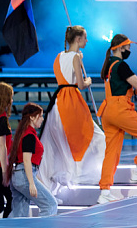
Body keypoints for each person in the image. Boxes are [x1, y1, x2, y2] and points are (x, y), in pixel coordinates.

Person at [39, 26, 106, 195]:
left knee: (59, 145)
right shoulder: (75, 57)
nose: (87, 40)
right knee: (95, 137)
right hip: (71, 102)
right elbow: (81, 85)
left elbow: (65, 74)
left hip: (58, 102)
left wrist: (78, 60)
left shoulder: (59, 56)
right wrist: (88, 81)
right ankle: (84, 173)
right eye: (85, 37)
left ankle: (58, 182)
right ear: (77, 39)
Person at [97, 35, 137, 205]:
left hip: (108, 111)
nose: (130, 50)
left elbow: (121, 86)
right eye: (128, 47)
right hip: (119, 110)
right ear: (120, 47)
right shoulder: (121, 65)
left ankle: (104, 191)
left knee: (111, 153)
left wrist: (133, 91)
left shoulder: (109, 65)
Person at [7, 103, 58, 217]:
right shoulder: (29, 135)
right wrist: (31, 183)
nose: (42, 119)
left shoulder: (23, 133)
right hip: (24, 176)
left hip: (18, 176)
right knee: (50, 205)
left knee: (19, 214)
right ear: (32, 117)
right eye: (40, 116)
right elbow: (26, 161)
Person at [0, 82, 13, 217]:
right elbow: (1, 146)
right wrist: (4, 171)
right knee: (3, 202)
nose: (12, 100)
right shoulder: (1, 118)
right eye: (10, 97)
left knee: (11, 199)